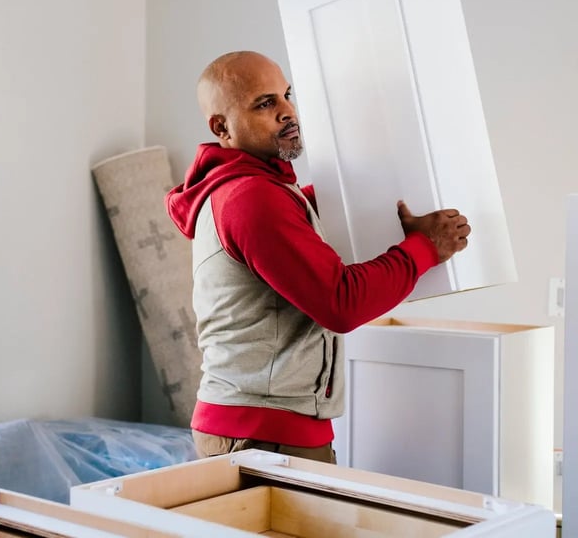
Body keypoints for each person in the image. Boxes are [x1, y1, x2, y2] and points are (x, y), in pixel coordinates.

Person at [165, 50, 470, 464]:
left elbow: (302, 222)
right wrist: (424, 248)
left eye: (287, 95)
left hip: (263, 428)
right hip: (262, 433)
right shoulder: (250, 199)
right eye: (266, 103)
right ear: (222, 127)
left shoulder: (258, 193)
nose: (288, 112)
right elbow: (341, 303)